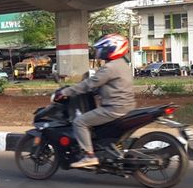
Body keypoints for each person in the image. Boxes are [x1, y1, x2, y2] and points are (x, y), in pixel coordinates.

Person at [56, 34, 135, 168]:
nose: (99, 52)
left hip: (113, 108)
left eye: (102, 48)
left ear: (111, 49)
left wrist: (64, 92)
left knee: (79, 122)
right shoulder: (122, 64)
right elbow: (111, 86)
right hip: (125, 106)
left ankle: (89, 156)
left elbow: (88, 84)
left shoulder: (109, 68)